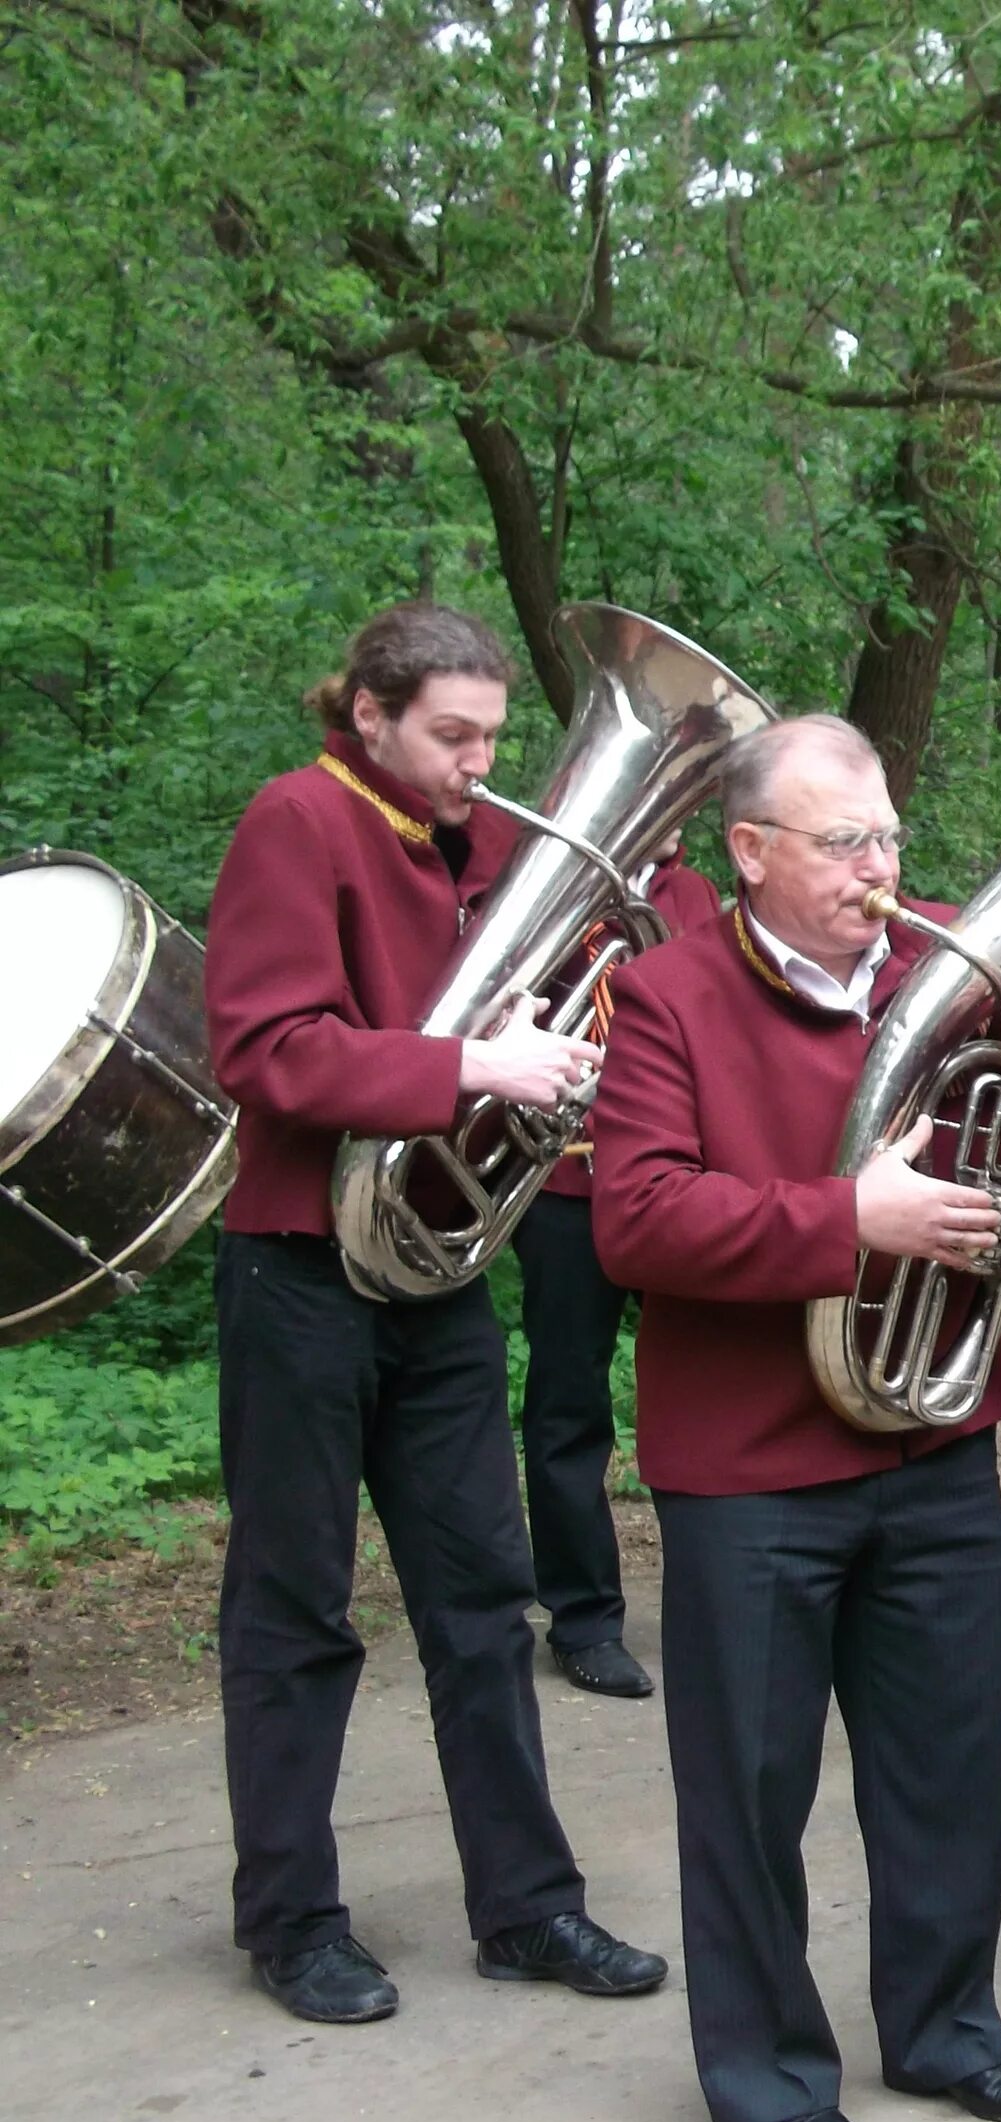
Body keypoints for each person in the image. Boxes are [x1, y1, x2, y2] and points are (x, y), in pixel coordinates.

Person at [592, 714, 1001, 2122]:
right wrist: (847, 1221)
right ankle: (765, 2075)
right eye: (842, 842)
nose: (879, 869)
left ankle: (947, 2025)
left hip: (935, 1436)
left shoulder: (956, 963)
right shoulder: (666, 996)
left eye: (887, 835)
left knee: (948, 1765)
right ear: (749, 852)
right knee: (750, 1788)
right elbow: (635, 1217)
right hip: (751, 1466)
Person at [203, 601, 667, 2025]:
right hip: (299, 1269)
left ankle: (527, 1905)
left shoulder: (482, 845)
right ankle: (289, 1916)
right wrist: (473, 1065)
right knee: (295, 1605)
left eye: (492, 735)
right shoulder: (299, 821)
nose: (481, 762)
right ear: (371, 718)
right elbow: (265, 1047)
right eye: (452, 735)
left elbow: (537, 1020)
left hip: (439, 1272)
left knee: (481, 1598)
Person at [512, 835, 720, 1698]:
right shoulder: (545, 881)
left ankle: (725, 1604)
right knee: (568, 1403)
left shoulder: (700, 895)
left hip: (682, 1174)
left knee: (715, 1384)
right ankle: (584, 1618)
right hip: (566, 1177)